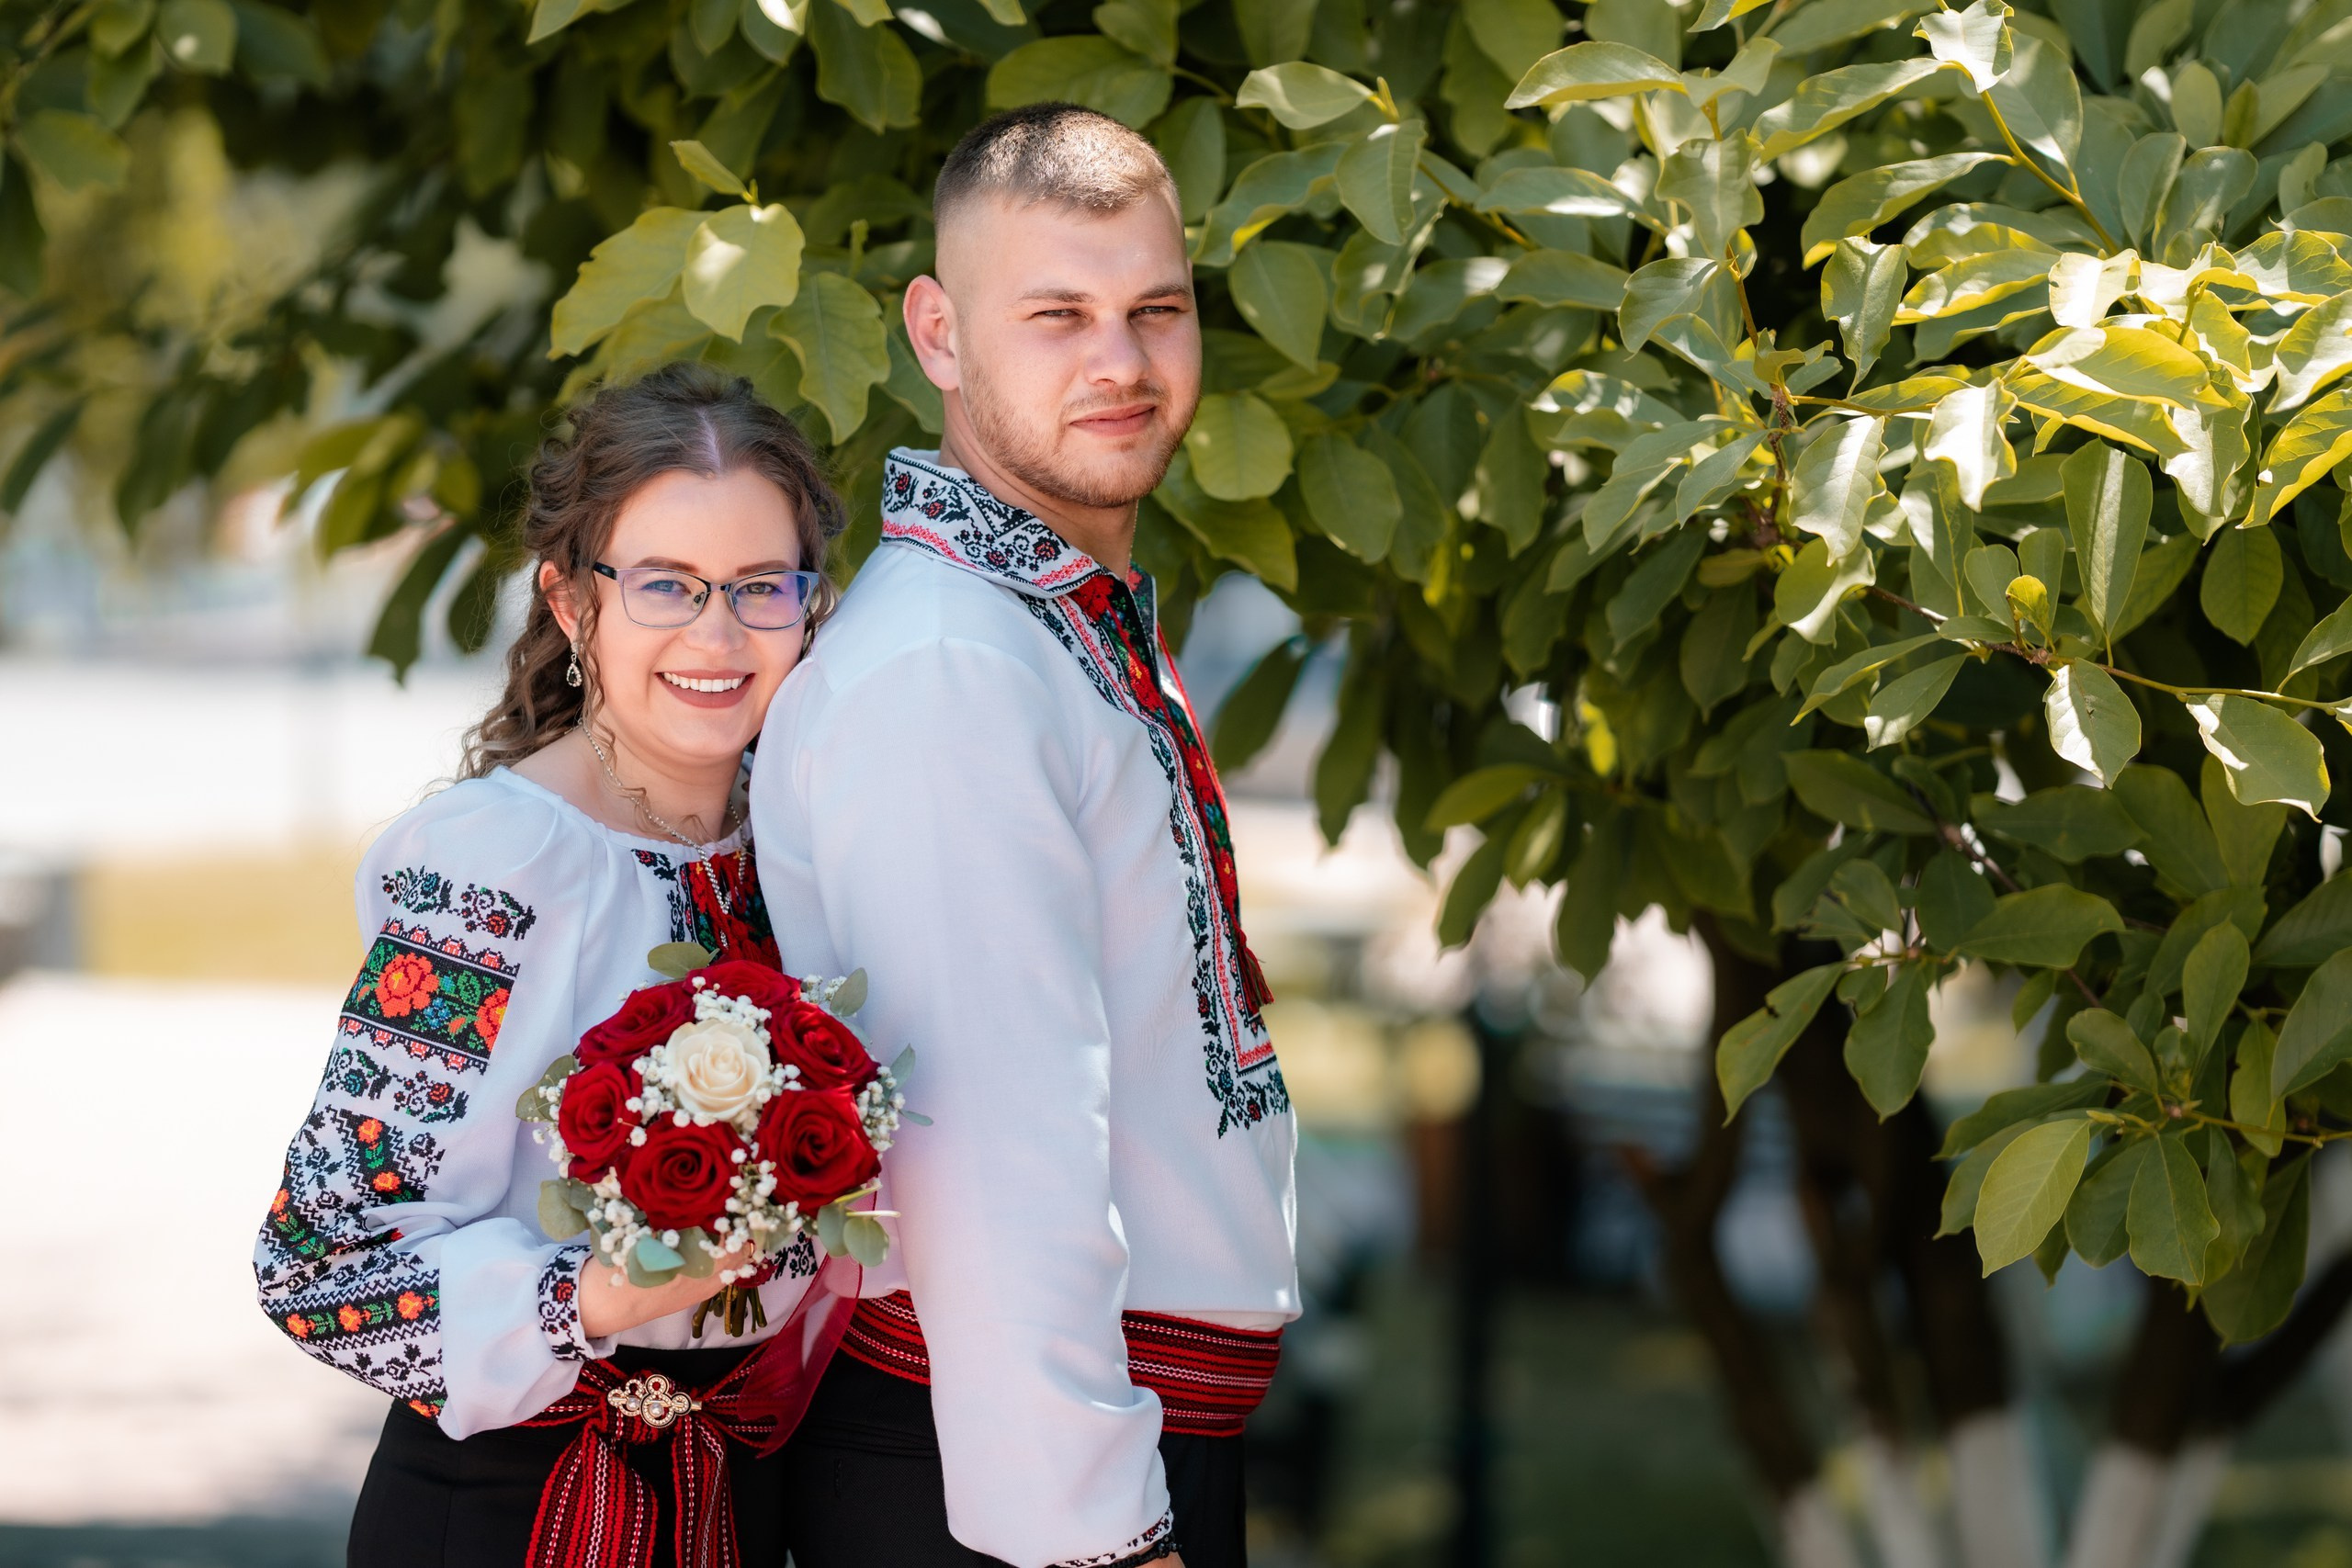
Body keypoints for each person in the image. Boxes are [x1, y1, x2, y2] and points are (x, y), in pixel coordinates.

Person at [752, 104, 1300, 1568]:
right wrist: (1098, 1542)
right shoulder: (952, 665)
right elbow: (987, 1159)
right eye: (1056, 315)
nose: (1119, 363)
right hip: (1007, 1489)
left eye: (1155, 311)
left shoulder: (1053, 623)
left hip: (1103, 1438)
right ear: (937, 334)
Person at [253, 365, 847, 1567]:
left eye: (759, 588)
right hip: (521, 1511)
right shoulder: (495, 866)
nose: (718, 634)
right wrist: (596, 1293)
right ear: (573, 604)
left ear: (810, 605)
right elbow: (319, 1260)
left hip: (741, 1492)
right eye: (667, 585)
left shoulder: (801, 847)